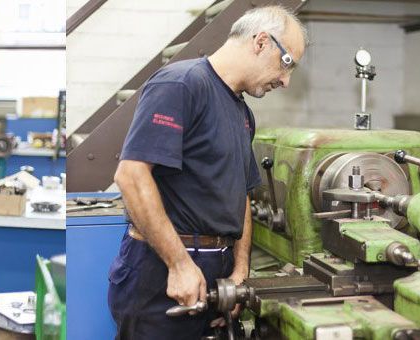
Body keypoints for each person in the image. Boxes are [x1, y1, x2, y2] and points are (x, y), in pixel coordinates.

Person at [107, 5, 307, 338]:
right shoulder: (182, 84)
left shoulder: (242, 113)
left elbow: (240, 194)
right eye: (287, 64)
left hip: (216, 270)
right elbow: (131, 175)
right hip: (162, 271)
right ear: (260, 42)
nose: (285, 81)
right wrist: (179, 265)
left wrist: (239, 271)